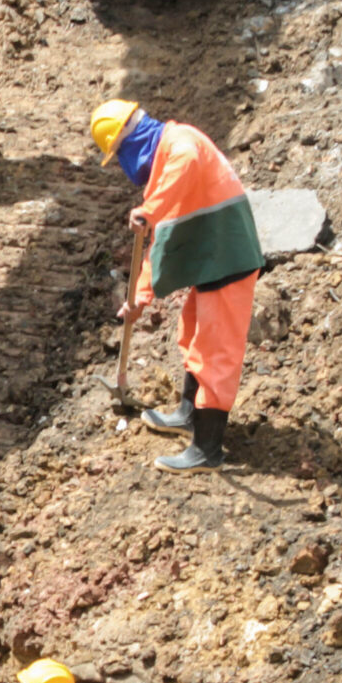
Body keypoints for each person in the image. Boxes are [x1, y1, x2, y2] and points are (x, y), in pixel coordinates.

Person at [92, 100, 265, 472]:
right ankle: (189, 414)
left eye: (120, 154)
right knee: (192, 335)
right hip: (212, 262)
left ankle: (207, 449)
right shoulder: (168, 168)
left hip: (229, 259)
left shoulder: (180, 146)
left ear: (131, 140)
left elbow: (181, 169)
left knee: (216, 354)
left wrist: (150, 209)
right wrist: (139, 298)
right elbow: (159, 243)